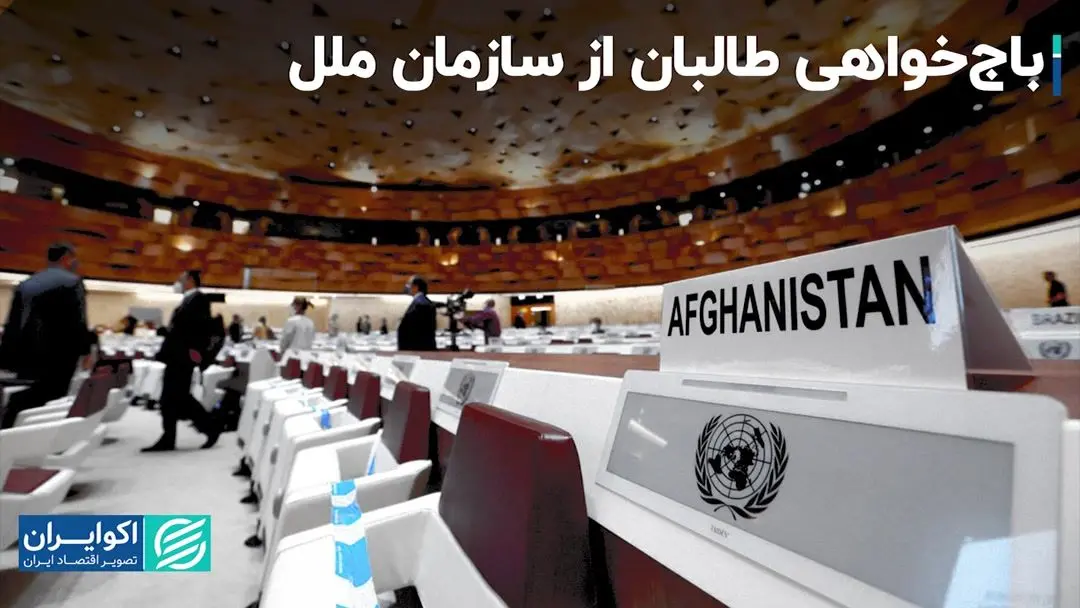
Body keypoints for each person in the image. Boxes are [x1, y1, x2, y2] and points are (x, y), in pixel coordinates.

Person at [0, 243, 91, 428]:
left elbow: (12, 323)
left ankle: (11, 431)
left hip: (25, 355)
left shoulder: (26, 283)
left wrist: (6, 357)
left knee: (25, 398)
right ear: (66, 258)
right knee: (51, 401)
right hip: (59, 356)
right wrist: (86, 351)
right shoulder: (72, 282)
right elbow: (77, 321)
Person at [142, 270, 220, 451]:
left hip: (183, 357)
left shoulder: (199, 300)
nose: (178, 283)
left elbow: (195, 331)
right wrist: (162, 330)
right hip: (177, 356)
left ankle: (208, 428)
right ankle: (171, 436)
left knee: (176, 397)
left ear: (190, 280)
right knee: (173, 398)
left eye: (181, 279)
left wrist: (192, 352)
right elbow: (180, 330)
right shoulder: (188, 301)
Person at [397, 276, 437, 351]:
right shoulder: (422, 301)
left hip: (418, 349)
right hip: (418, 348)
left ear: (416, 287)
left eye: (409, 284)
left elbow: (417, 330)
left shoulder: (421, 303)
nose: (407, 287)